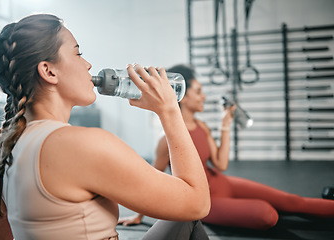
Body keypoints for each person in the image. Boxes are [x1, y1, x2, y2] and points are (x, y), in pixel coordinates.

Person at [0, 14, 211, 240]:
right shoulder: (83, 144)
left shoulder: (1, 150)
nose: (88, 63)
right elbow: (197, 203)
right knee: (188, 215)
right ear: (49, 71)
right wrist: (169, 111)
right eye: (78, 53)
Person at [118, 64, 334, 230]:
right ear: (181, 95)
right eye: (199, 91)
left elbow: (220, 164)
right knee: (268, 215)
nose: (204, 96)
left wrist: (225, 125)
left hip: (223, 182)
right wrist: (138, 216)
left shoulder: (202, 126)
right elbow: (154, 180)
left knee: (291, 201)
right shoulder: (166, 140)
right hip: (206, 201)